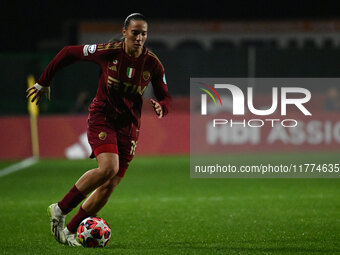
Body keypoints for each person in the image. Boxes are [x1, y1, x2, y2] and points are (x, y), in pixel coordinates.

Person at [26, 13, 171, 247]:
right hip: (102, 117)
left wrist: (161, 106)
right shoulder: (108, 51)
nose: (140, 37)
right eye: (135, 32)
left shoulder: (152, 63)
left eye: (144, 33)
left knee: (109, 185)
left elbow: (165, 95)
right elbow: (68, 53)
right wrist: (44, 81)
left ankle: (71, 230)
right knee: (108, 168)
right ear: (125, 32)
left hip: (129, 126)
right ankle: (60, 209)